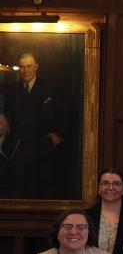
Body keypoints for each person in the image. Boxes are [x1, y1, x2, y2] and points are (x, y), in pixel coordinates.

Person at [0, 50, 74, 198]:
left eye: (29, 66)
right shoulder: (11, 89)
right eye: (22, 67)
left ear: (36, 67)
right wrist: (1, 115)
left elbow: (69, 112)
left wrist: (60, 136)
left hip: (44, 145)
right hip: (18, 146)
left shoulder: (50, 88)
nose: (25, 70)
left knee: (42, 188)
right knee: (18, 188)